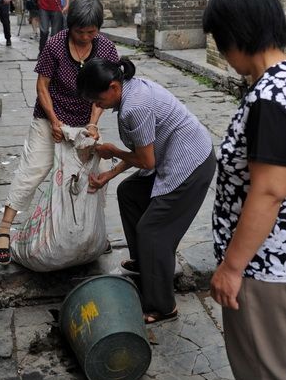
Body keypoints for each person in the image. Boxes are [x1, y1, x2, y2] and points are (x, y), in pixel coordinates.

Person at [77, 57, 216, 324]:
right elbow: (142, 154)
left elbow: (146, 161)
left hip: (191, 164)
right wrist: (109, 174)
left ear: (114, 87)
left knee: (153, 231)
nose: (96, 106)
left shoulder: (134, 107)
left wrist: (113, 153)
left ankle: (163, 306)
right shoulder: (131, 90)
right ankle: (146, 263)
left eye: (97, 99)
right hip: (172, 156)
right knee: (130, 192)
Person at [0, 0, 119, 265]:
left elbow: (105, 92)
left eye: (91, 32)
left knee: (91, 177)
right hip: (50, 117)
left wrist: (93, 124)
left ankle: (93, 231)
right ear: (69, 26)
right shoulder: (55, 44)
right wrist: (53, 121)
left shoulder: (106, 48)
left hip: (86, 120)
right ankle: (4, 228)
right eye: (80, 31)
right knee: (33, 168)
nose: (85, 37)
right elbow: (42, 86)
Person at [202, 0, 286, 380]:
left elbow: (269, 191)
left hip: (263, 268)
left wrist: (232, 268)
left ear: (235, 36)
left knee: (263, 371)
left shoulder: (268, 98)